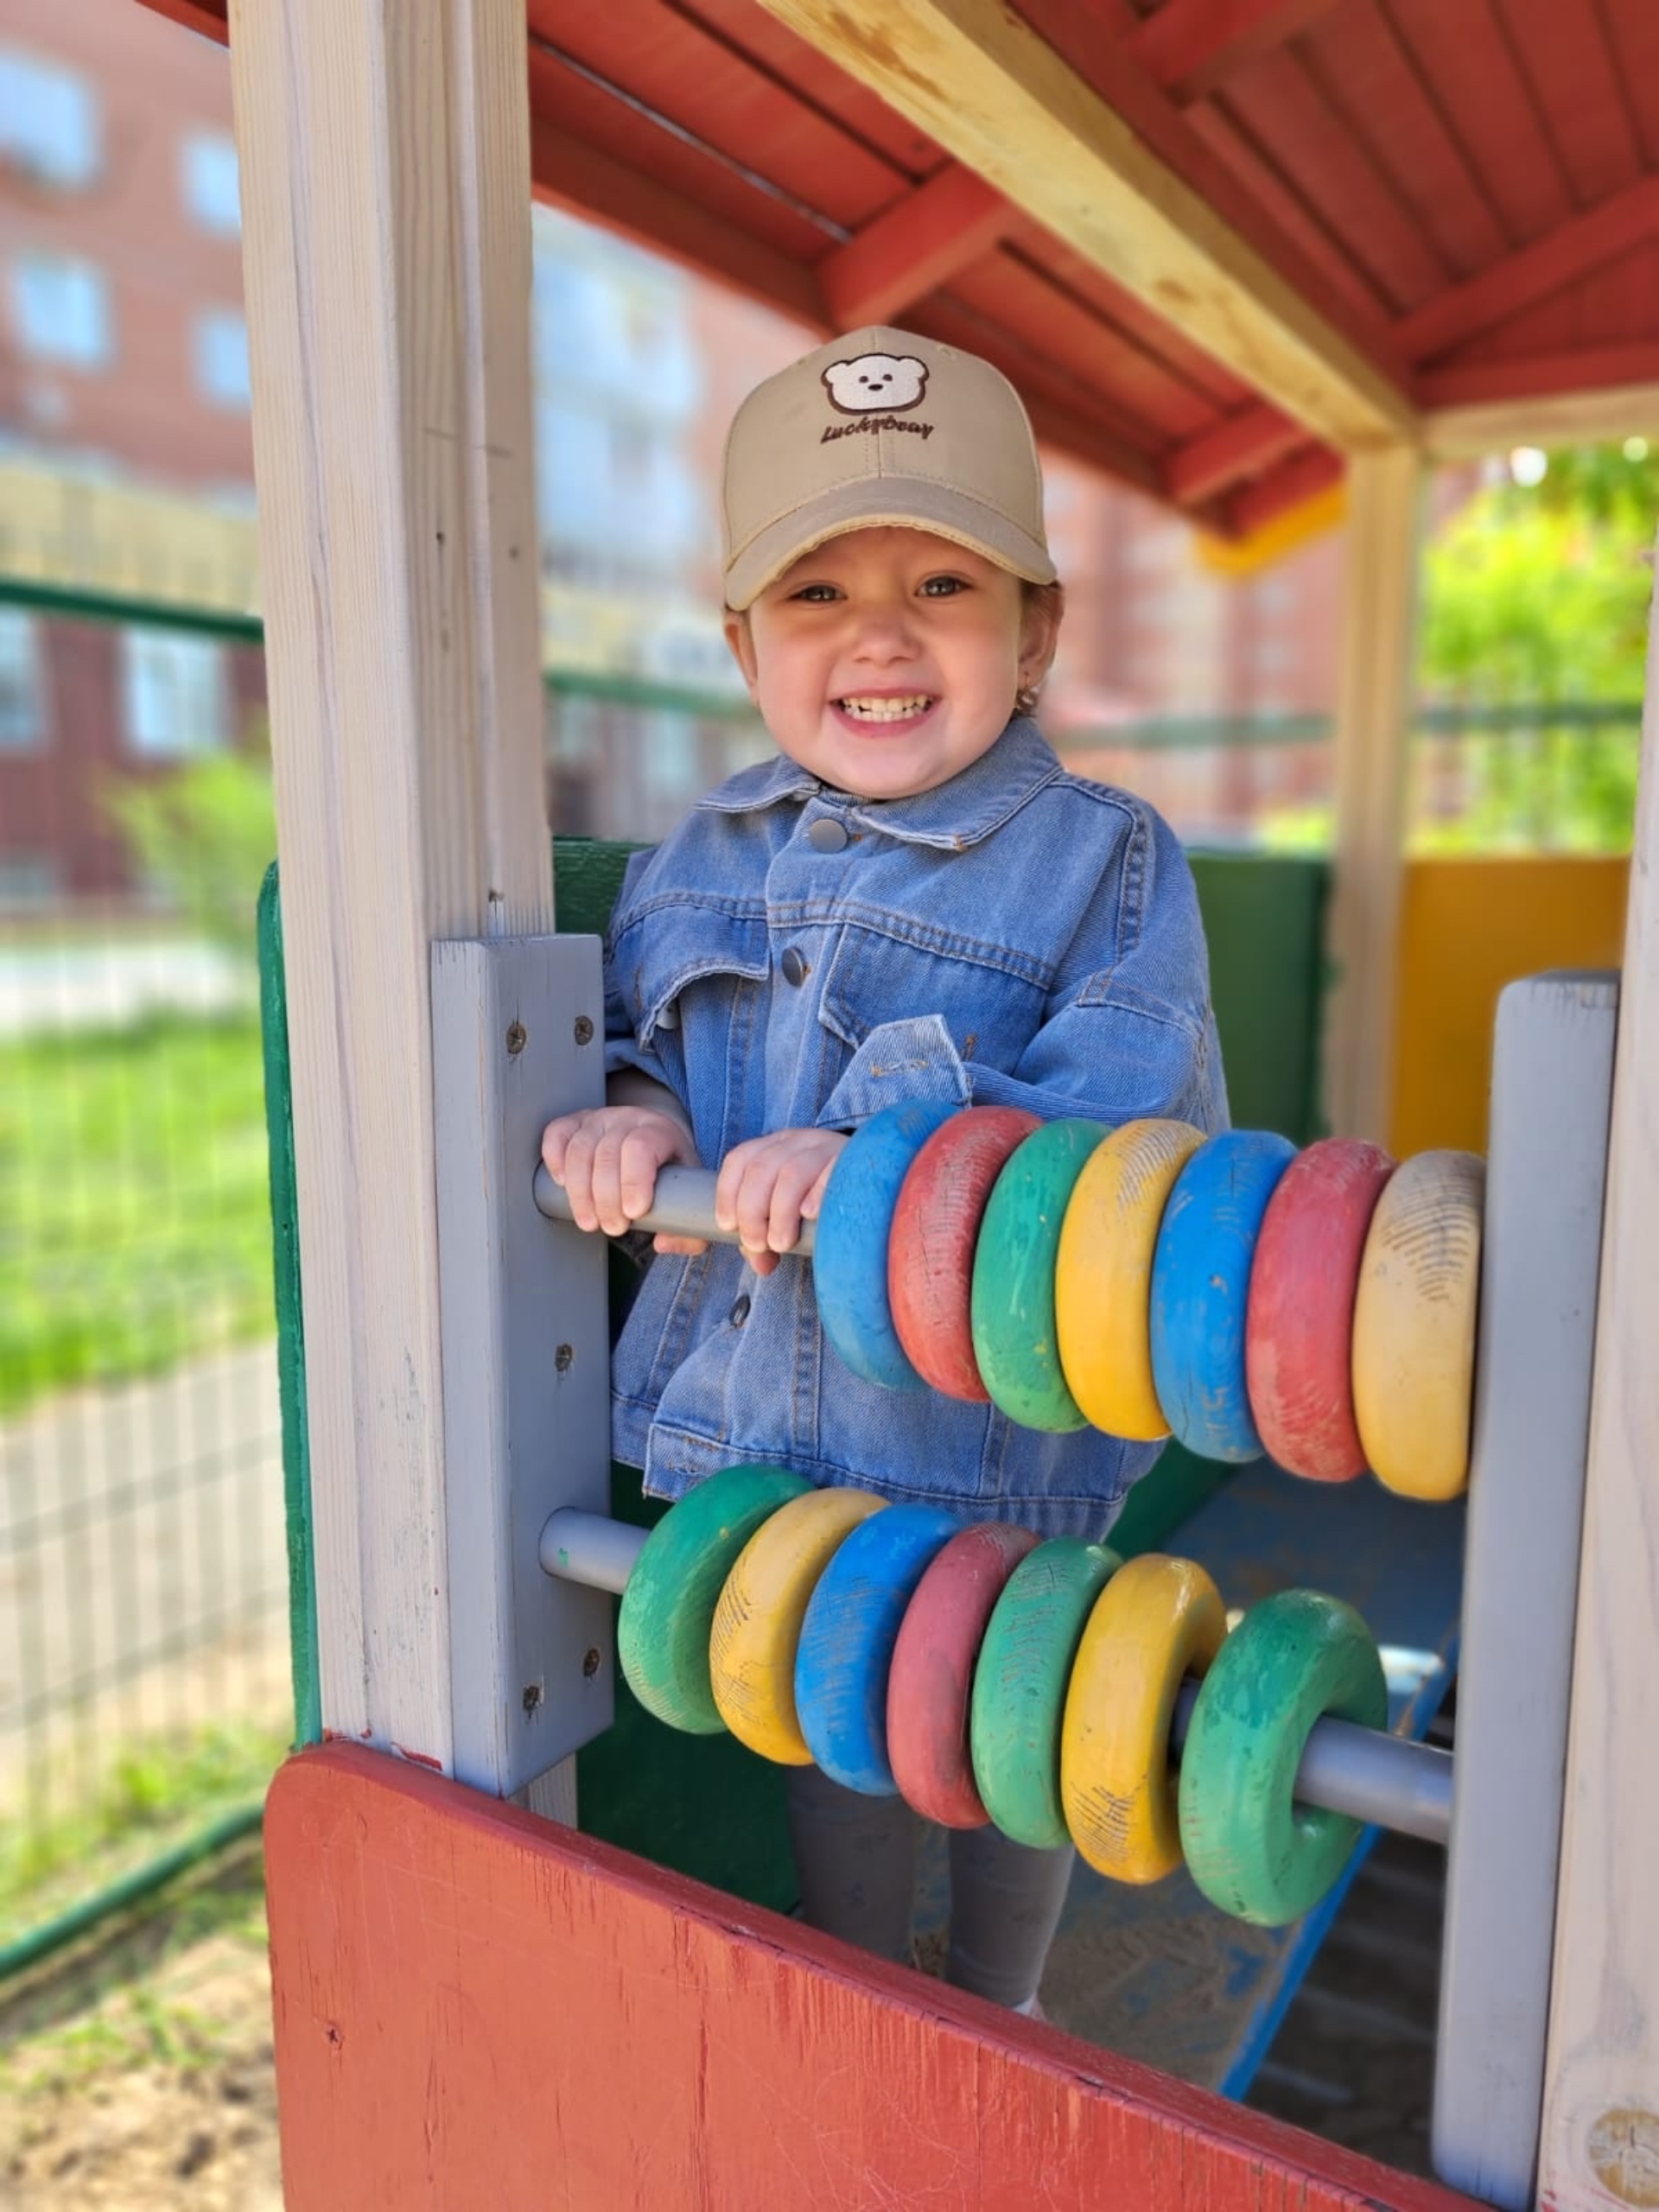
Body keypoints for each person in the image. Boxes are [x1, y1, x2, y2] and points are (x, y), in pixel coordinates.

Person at [542, 325, 1228, 2019]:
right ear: (741, 643)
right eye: (816, 595)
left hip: (981, 1422)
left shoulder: (1104, 861)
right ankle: (867, 1983)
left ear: (1036, 630)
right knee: (832, 1703)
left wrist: (875, 1141)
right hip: (762, 1421)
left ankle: (1000, 1992)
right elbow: (648, 1030)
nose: (880, 635)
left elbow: (1128, 1104)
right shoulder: (698, 852)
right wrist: (640, 1113)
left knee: (1017, 1716)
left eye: (943, 580)